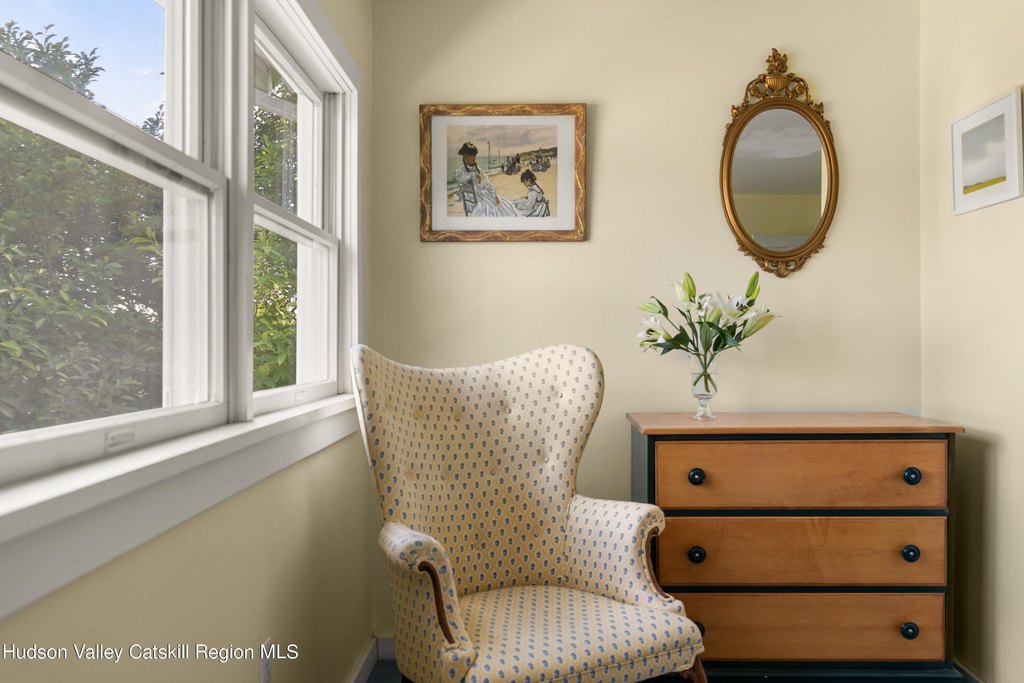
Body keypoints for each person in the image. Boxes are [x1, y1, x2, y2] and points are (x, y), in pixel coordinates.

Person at [454, 142, 516, 217]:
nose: (473, 158)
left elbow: (488, 184)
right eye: (470, 155)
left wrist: (495, 196)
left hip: (482, 195)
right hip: (475, 198)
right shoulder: (460, 171)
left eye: (474, 155)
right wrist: (473, 177)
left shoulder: (479, 171)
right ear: (465, 157)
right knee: (491, 207)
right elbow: (461, 181)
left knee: (501, 204)